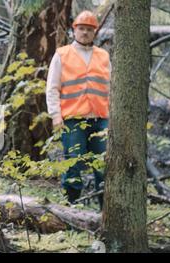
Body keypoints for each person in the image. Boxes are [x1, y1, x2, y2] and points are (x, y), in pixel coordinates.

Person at [46, 11, 111, 208]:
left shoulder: (104, 56)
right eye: (81, 28)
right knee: (73, 164)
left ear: (95, 32)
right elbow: (52, 88)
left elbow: (112, 88)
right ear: (74, 30)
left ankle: (104, 212)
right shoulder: (62, 54)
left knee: (102, 166)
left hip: (100, 119)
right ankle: (71, 209)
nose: (85, 33)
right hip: (72, 120)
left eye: (89, 30)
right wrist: (56, 116)